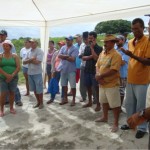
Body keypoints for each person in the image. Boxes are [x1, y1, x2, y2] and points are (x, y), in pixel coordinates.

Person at [120, 18, 150, 139]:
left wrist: (132, 55)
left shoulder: (148, 41)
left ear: (143, 28)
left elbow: (148, 62)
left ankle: (142, 128)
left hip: (142, 80)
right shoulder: (131, 41)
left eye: (137, 29)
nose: (135, 31)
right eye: (133, 29)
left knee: (141, 106)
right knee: (129, 104)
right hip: (130, 78)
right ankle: (131, 123)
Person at [95, 35, 122, 132]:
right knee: (104, 102)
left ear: (113, 43)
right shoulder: (102, 53)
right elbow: (97, 65)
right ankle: (105, 117)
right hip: (102, 83)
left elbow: (114, 70)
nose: (105, 44)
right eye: (104, 42)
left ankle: (115, 123)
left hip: (111, 84)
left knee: (115, 105)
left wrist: (100, 76)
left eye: (107, 42)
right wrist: (98, 75)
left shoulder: (116, 55)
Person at [82, 31, 102, 111]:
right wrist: (91, 56)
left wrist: (92, 49)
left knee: (96, 89)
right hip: (87, 70)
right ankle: (89, 102)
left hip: (95, 71)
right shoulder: (86, 47)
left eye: (91, 38)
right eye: (88, 38)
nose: (89, 40)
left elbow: (96, 58)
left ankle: (98, 104)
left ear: (95, 38)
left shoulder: (99, 48)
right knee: (88, 87)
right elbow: (83, 58)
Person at [0, 40, 20, 117]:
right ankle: (1, 109)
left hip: (13, 78)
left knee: (12, 92)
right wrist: (6, 75)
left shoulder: (15, 56)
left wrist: (11, 75)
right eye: (4, 46)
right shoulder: (0, 56)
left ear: (10, 47)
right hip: (2, 78)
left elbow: (18, 67)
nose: (5, 47)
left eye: (7, 46)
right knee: (3, 93)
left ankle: (11, 108)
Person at [23, 39, 44, 109]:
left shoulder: (40, 51)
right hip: (30, 73)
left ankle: (41, 103)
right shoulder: (29, 51)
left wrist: (29, 60)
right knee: (34, 89)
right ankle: (38, 102)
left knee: (39, 89)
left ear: (36, 43)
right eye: (30, 43)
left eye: (33, 42)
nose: (32, 44)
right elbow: (24, 62)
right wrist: (32, 59)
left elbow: (38, 62)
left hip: (37, 73)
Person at [58, 36, 78, 106]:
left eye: (69, 40)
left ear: (72, 41)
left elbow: (73, 59)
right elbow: (59, 56)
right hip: (63, 69)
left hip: (71, 70)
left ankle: (73, 100)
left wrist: (64, 57)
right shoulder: (63, 47)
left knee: (73, 86)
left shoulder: (75, 49)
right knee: (63, 85)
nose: (67, 41)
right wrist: (67, 56)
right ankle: (65, 99)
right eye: (66, 40)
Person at [115, 35, 129, 105]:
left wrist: (113, 61)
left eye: (118, 40)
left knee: (121, 91)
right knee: (115, 91)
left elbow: (122, 62)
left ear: (123, 41)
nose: (116, 42)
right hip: (115, 74)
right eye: (116, 40)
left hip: (122, 74)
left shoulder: (126, 50)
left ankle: (119, 107)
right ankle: (115, 105)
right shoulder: (115, 49)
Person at [78, 31, 89, 102]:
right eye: (84, 39)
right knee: (82, 82)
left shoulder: (92, 45)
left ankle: (94, 97)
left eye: (86, 39)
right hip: (83, 65)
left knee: (92, 82)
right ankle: (83, 96)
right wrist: (84, 55)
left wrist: (84, 55)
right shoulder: (82, 45)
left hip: (91, 66)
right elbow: (80, 55)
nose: (85, 40)